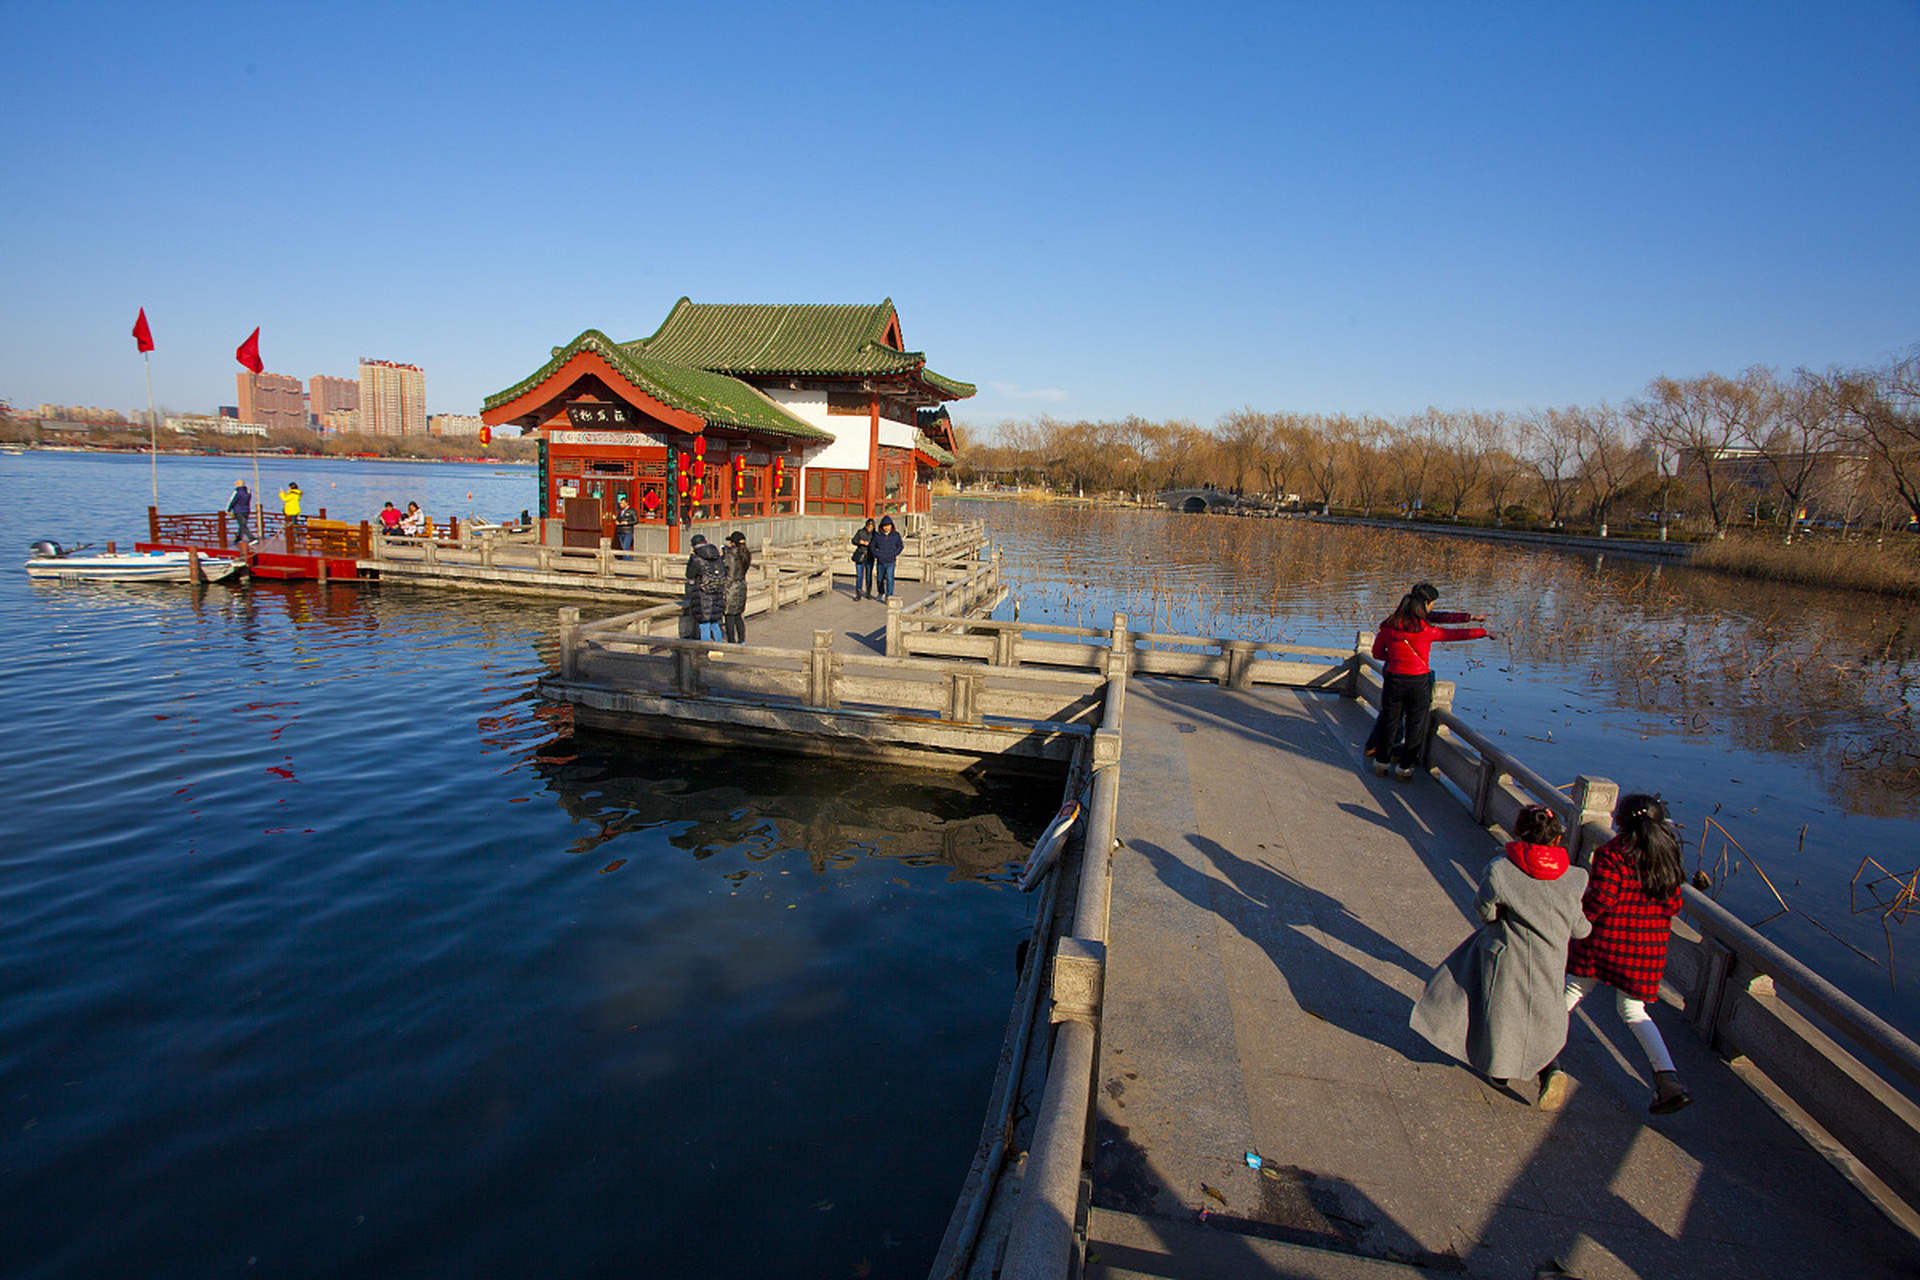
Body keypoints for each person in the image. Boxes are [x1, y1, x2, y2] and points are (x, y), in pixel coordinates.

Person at [1409, 805, 1591, 1105]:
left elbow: (1485, 912)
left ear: (1518, 833)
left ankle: (1502, 1071)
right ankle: (1551, 1069)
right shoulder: (1575, 878)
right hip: (1552, 958)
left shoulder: (1502, 869)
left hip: (1510, 956)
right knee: (1545, 1014)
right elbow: (1581, 929)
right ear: (1558, 839)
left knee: (1504, 1012)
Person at [1547, 793, 1693, 1115]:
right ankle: (1668, 1079)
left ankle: (1542, 1050)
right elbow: (1674, 905)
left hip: (1606, 944)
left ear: (1622, 822)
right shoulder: (1668, 855)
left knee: (1571, 992)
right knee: (1634, 1011)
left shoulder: (1613, 854)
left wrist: (1573, 922)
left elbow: (1600, 900)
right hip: (1646, 952)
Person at [1367, 581, 1488, 780]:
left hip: (1394, 680)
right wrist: (1483, 632)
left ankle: (1381, 764)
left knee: (1390, 721)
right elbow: (1455, 635)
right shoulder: (1425, 630)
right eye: (1432, 603)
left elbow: (1377, 652)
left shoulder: (1388, 626)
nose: (1432, 607)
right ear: (1423, 603)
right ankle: (1404, 769)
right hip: (1418, 682)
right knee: (1416, 725)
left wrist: (1396, 659)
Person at [685, 533, 727, 643]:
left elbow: (690, 574)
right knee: (714, 622)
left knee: (704, 624)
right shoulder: (716, 556)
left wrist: (691, 558)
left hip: (702, 594)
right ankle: (719, 646)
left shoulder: (697, 559)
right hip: (717, 591)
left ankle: (705, 649)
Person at [722, 531, 751, 644]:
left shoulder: (730, 554)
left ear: (733, 543)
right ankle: (742, 640)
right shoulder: (746, 554)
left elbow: (727, 569)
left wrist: (724, 552)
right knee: (738, 615)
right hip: (741, 585)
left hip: (731, 586)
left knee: (729, 615)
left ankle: (731, 641)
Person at [870, 515, 904, 599]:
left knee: (890, 579)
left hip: (890, 560)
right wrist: (877, 554)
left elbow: (900, 546)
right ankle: (881, 592)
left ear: (891, 525)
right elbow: (872, 546)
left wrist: (894, 553)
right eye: (885, 526)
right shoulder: (878, 535)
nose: (886, 528)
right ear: (882, 526)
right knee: (879, 579)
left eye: (888, 525)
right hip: (880, 561)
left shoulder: (895, 535)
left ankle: (889, 595)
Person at [850, 518, 876, 599]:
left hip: (870, 556)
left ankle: (868, 592)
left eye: (871, 526)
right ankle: (858, 593)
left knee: (869, 575)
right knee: (859, 575)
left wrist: (870, 544)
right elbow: (854, 540)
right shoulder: (861, 532)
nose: (869, 528)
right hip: (860, 555)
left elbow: (877, 544)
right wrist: (860, 542)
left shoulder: (875, 534)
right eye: (868, 526)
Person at [227, 479, 253, 544]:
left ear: (237, 484)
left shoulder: (237, 492)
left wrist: (228, 510)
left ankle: (252, 538)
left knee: (242, 525)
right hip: (246, 510)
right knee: (242, 524)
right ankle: (238, 538)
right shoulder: (248, 492)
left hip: (239, 510)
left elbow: (232, 501)